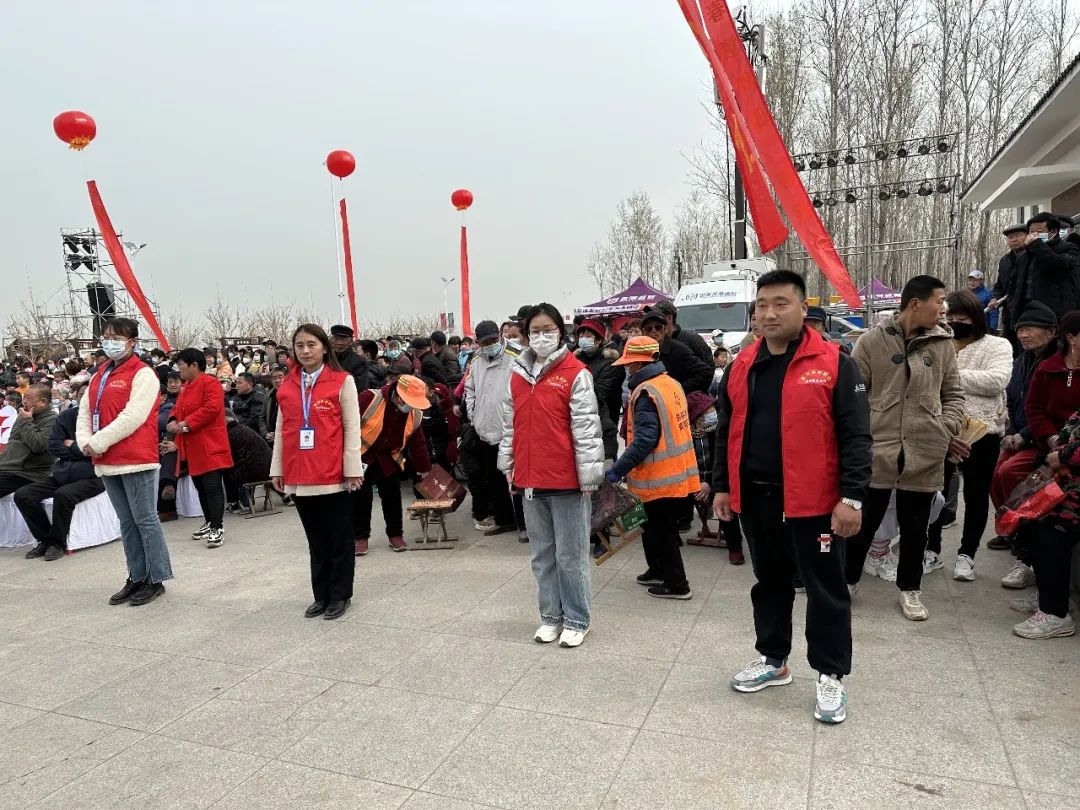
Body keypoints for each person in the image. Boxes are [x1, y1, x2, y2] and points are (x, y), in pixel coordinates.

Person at [711, 270, 870, 724]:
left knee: (825, 589)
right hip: (757, 498)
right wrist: (722, 485)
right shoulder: (741, 365)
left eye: (780, 303)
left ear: (803, 308)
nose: (769, 313)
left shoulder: (835, 363)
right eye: (761, 305)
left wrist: (852, 498)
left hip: (814, 503)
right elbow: (726, 430)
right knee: (769, 582)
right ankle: (773, 659)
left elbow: (857, 436)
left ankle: (830, 674)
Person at [845, 276, 965, 621]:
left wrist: (945, 427)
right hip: (878, 450)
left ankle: (910, 590)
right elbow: (853, 397)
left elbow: (954, 394)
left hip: (925, 449)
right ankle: (848, 581)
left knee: (916, 529)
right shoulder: (871, 341)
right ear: (916, 303)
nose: (943, 308)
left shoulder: (943, 345)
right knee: (862, 524)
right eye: (939, 300)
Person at [499, 302, 604, 648]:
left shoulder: (576, 373)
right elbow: (510, 427)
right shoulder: (517, 374)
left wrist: (589, 476)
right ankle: (550, 617)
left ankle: (576, 619)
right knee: (542, 557)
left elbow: (587, 430)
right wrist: (508, 466)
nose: (541, 337)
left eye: (548, 330)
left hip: (567, 481)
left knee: (570, 557)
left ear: (561, 332)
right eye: (535, 331)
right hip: (530, 480)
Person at [76, 318, 173, 607]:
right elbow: (85, 410)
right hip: (106, 458)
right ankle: (136, 575)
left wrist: (99, 441)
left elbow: (133, 416)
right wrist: (84, 440)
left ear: (132, 342)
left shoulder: (143, 374)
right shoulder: (100, 373)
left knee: (145, 519)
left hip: (135, 458)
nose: (110, 342)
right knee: (127, 522)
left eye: (117, 338)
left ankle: (155, 578)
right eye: (106, 337)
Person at [270, 324, 363, 620]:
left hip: (332, 473)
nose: (305, 350)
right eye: (299, 345)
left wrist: (352, 468)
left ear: (324, 347)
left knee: (339, 538)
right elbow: (281, 430)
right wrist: (277, 468)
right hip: (299, 473)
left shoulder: (342, 381)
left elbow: (352, 428)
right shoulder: (288, 385)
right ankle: (321, 595)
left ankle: (340, 595)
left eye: (311, 344)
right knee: (316, 540)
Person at [922, 291, 1012, 581]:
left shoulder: (997, 345)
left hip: (982, 432)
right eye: (949, 316)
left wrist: (950, 375)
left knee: (975, 494)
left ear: (975, 318)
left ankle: (967, 555)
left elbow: (996, 381)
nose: (955, 322)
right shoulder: (937, 343)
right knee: (933, 493)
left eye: (962, 317)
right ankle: (931, 550)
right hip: (940, 430)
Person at [607, 336, 700, 599]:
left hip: (659, 476)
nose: (627, 369)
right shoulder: (670, 384)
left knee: (662, 531)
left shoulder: (646, 392)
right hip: (677, 471)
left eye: (629, 364)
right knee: (652, 528)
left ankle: (677, 584)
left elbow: (645, 440)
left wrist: (618, 469)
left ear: (639, 363)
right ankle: (657, 569)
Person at [988, 302, 1057, 571]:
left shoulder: (1055, 364)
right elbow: (1011, 401)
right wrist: (1009, 432)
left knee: (1010, 473)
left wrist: (1025, 436)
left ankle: (1023, 533)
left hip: (1041, 439)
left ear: (1051, 332)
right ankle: (1011, 526)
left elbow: (1046, 409)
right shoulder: (1020, 361)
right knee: (993, 473)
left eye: (1030, 329)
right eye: (1019, 330)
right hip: (1018, 434)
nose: (1023, 335)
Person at [1009, 407, 1080, 639]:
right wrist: (1057, 455)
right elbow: (1067, 430)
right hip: (1064, 482)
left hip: (1074, 493)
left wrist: (1061, 458)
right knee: (1035, 525)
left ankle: (1055, 614)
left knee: (1052, 533)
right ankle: (1047, 598)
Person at [15, 381, 104, 561]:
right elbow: (54, 446)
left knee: (63, 494)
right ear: (76, 397)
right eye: (81, 395)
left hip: (94, 475)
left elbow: (100, 449)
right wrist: (83, 451)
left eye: (90, 395)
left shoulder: (105, 417)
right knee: (23, 495)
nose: (85, 398)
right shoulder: (66, 416)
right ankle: (45, 539)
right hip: (63, 473)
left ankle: (58, 543)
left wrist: (74, 446)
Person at [352, 374, 431, 555]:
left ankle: (395, 534)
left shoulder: (414, 413)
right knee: (361, 498)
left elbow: (418, 443)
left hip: (389, 458)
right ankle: (360, 537)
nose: (410, 406)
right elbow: (346, 426)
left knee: (392, 497)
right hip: (362, 456)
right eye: (408, 401)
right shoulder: (369, 398)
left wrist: (424, 470)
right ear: (396, 395)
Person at [168, 348, 234, 548]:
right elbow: (176, 408)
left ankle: (217, 526)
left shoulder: (210, 383)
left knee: (212, 486)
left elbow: (211, 408)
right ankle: (209, 521)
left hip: (210, 444)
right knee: (201, 487)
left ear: (194, 365)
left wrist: (186, 423)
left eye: (181, 365)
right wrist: (173, 420)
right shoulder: (186, 387)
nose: (179, 369)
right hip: (192, 445)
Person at [464, 320, 518, 536]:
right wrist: (473, 414)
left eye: (493, 340)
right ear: (478, 342)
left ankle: (523, 522)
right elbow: (470, 389)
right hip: (484, 429)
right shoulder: (476, 360)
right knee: (493, 479)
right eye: (485, 342)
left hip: (509, 429)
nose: (490, 345)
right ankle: (504, 519)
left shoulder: (515, 356)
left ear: (500, 337)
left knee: (514, 477)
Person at [1002, 213, 1080, 323]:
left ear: (1053, 232)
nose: (1034, 235)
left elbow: (1060, 264)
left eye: (1039, 232)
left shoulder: (1069, 248)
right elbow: (1014, 283)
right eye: (1031, 232)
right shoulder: (1024, 255)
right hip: (1026, 312)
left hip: (1055, 313)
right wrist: (1012, 303)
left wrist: (1037, 246)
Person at [574, 318, 625, 462]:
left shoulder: (611, 363)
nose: (583, 339)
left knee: (603, 462)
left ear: (599, 340)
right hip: (579, 424)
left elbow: (601, 394)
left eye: (588, 335)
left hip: (604, 423)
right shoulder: (575, 360)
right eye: (581, 335)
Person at [0, 384, 57, 502]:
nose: (24, 401)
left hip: (29, 473)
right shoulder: (24, 415)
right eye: (24, 397)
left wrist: (26, 421)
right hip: (9, 467)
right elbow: (13, 441)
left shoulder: (53, 420)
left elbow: (38, 446)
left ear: (43, 402)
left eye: (29, 398)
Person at [639, 307, 713, 394]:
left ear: (664, 329)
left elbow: (705, 372)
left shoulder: (678, 349)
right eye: (648, 329)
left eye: (658, 327)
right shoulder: (640, 351)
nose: (653, 331)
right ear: (643, 332)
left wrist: (679, 390)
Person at [989, 224, 1030, 350]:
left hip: (1028, 311)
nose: (1014, 240)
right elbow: (999, 285)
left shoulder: (1033, 257)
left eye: (1018, 235)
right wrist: (996, 298)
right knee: (1010, 347)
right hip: (1009, 313)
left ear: (1028, 236)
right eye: (1010, 237)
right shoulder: (1005, 260)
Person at [655, 300, 713, 365]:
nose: (654, 321)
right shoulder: (654, 341)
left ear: (669, 317)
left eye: (657, 317)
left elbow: (708, 365)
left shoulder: (692, 339)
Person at [329, 325, 370, 393]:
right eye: (336, 339)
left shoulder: (359, 361)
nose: (339, 342)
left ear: (351, 341)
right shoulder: (327, 359)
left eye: (343, 339)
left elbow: (360, 387)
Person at [231, 372, 267, 439]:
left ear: (250, 384)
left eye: (240, 383)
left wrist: (236, 429)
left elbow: (254, 420)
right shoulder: (237, 397)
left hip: (251, 435)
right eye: (236, 383)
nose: (237, 386)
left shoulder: (258, 396)